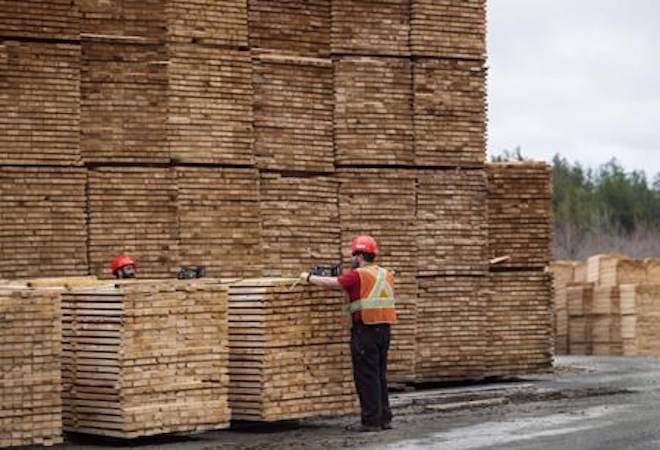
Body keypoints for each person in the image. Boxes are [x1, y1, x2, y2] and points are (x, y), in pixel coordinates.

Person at [302, 235, 396, 432]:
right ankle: (384, 418)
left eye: (354, 254)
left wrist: (310, 278)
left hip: (366, 329)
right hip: (384, 328)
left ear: (360, 254)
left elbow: (334, 283)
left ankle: (370, 421)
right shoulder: (384, 273)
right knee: (379, 374)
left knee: (366, 376)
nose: (353, 258)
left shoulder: (358, 275)